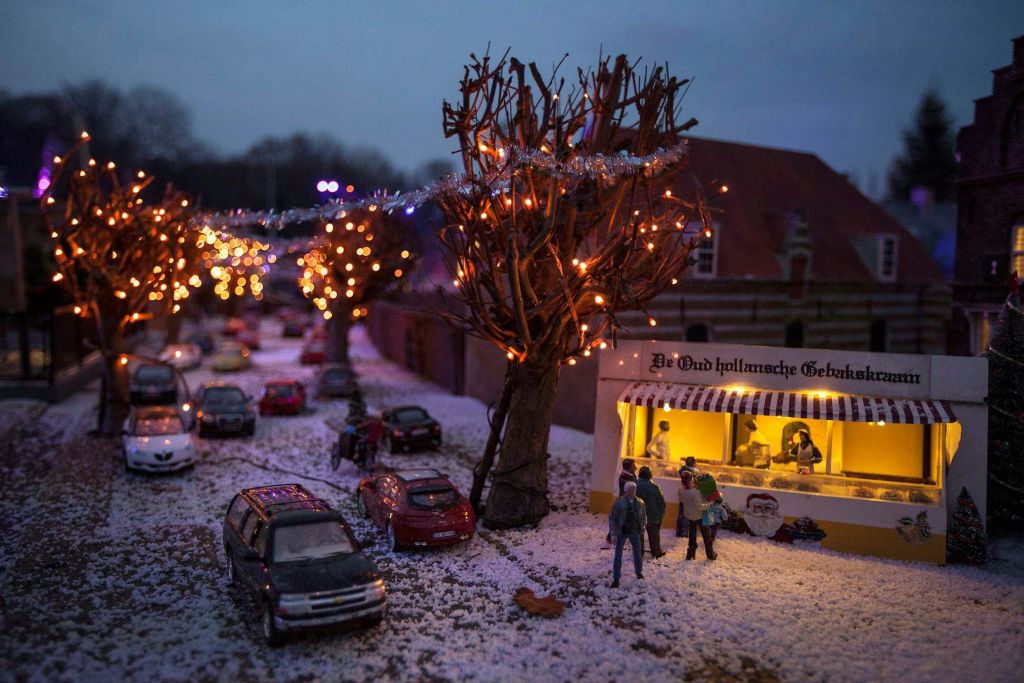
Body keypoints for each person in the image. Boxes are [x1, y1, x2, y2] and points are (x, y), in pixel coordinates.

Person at [608, 481, 646, 587]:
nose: (632, 492)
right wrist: (613, 533)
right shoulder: (619, 502)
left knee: (638, 553)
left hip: (635, 531)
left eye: (633, 490)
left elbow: (643, 515)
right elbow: (612, 518)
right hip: (622, 531)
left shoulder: (640, 502)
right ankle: (616, 578)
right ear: (625, 491)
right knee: (618, 554)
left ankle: (639, 572)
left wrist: (642, 526)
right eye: (629, 490)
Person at [680, 470, 715, 560]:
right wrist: (709, 504)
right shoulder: (695, 492)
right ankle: (710, 554)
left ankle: (690, 554)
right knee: (706, 535)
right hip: (699, 516)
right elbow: (699, 506)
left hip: (689, 516)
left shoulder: (681, 490)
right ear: (690, 480)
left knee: (692, 536)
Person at [635, 466, 666, 558]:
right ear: (650, 476)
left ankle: (638, 553)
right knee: (654, 536)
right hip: (653, 517)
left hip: (638, 516)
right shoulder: (655, 487)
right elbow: (661, 503)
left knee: (638, 535)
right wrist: (661, 515)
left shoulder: (634, 486)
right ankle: (656, 552)